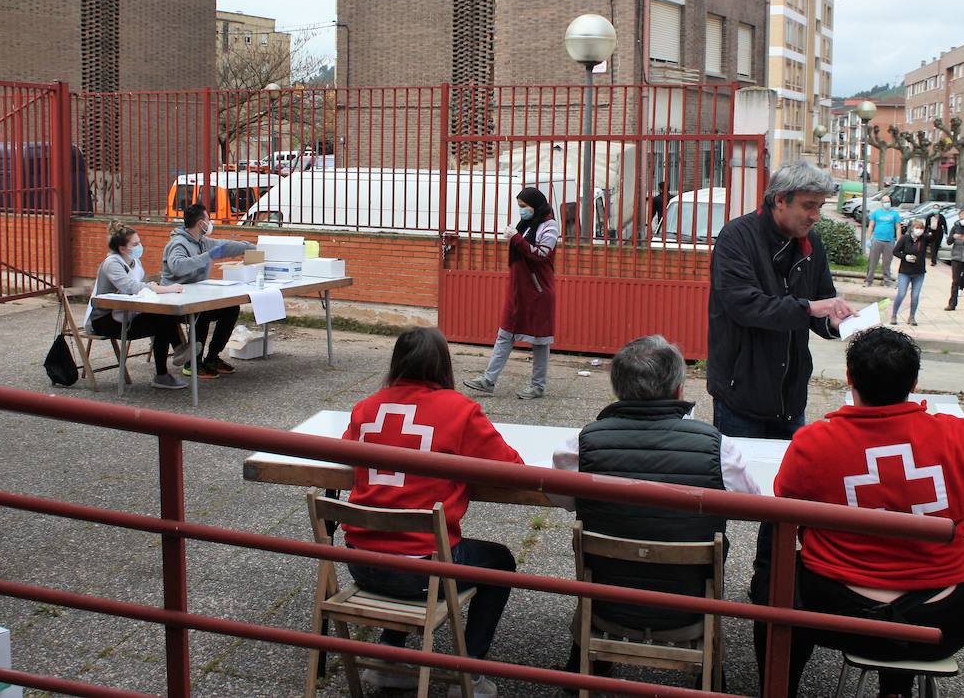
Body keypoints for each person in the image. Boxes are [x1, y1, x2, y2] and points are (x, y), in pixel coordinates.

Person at [772, 327, 964, 698]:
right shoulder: (957, 436)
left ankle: (780, 688)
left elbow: (785, 498)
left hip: (839, 613)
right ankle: (896, 691)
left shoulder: (815, 442)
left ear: (849, 378)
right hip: (944, 617)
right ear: (914, 383)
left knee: (775, 585)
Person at [549, 335, 760, 677]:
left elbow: (562, 500)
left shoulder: (581, 445)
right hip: (688, 606)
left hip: (607, 603)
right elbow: (752, 506)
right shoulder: (717, 448)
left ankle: (586, 667)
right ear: (679, 389)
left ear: (617, 389)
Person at [343, 327, 523, 698]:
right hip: (423, 571)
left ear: (396, 362)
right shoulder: (459, 410)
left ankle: (391, 659)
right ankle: (470, 673)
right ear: (443, 365)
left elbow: (345, 457)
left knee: (400, 536)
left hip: (360, 561)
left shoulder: (366, 407)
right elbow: (511, 468)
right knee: (500, 561)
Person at [707, 159, 855, 440]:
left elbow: (822, 299)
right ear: (780, 200)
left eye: (820, 207)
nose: (815, 216)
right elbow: (745, 306)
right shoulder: (736, 238)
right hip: (741, 396)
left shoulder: (813, 243)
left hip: (791, 397)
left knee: (788, 483)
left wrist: (834, 322)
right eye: (808, 205)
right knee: (742, 484)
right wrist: (810, 307)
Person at [464, 187, 560, 400]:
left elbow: (542, 254)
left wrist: (516, 238)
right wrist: (517, 237)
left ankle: (537, 386)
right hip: (519, 291)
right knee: (505, 334)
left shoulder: (550, 226)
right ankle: (488, 380)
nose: (521, 211)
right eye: (519, 207)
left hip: (538, 292)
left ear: (536, 206)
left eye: (524, 207)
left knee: (540, 341)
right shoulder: (526, 225)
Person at [86, 221, 188, 390]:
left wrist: (157, 289)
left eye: (139, 242)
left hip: (128, 314)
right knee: (162, 322)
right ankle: (174, 357)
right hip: (106, 321)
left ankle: (177, 353)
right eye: (135, 244)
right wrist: (163, 288)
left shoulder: (135, 262)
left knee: (165, 316)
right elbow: (131, 287)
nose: (140, 246)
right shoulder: (112, 263)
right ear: (122, 248)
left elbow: (142, 289)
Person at [160, 202, 255, 380]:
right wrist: (208, 256)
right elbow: (178, 267)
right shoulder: (177, 244)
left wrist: (252, 247)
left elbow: (224, 246)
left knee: (230, 308)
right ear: (200, 223)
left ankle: (212, 357)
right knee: (202, 312)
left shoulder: (202, 242)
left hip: (197, 297)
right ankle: (193, 363)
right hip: (175, 301)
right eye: (208, 219)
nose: (210, 223)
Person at [889, 218, 929, 327]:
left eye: (921, 228)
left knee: (915, 295)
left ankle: (912, 316)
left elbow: (934, 239)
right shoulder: (905, 238)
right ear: (912, 229)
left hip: (919, 272)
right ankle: (894, 314)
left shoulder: (924, 239)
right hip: (905, 271)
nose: (919, 231)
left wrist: (934, 228)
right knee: (901, 293)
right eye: (917, 228)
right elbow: (895, 251)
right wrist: (905, 257)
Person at [865, 197, 903, 288]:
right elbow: (871, 226)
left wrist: (899, 241)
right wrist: (868, 238)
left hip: (889, 241)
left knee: (887, 263)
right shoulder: (876, 213)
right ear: (881, 203)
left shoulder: (895, 214)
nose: (887, 203)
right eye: (885, 202)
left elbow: (898, 228)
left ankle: (887, 281)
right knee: (872, 262)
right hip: (877, 239)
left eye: (888, 201)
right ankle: (868, 280)